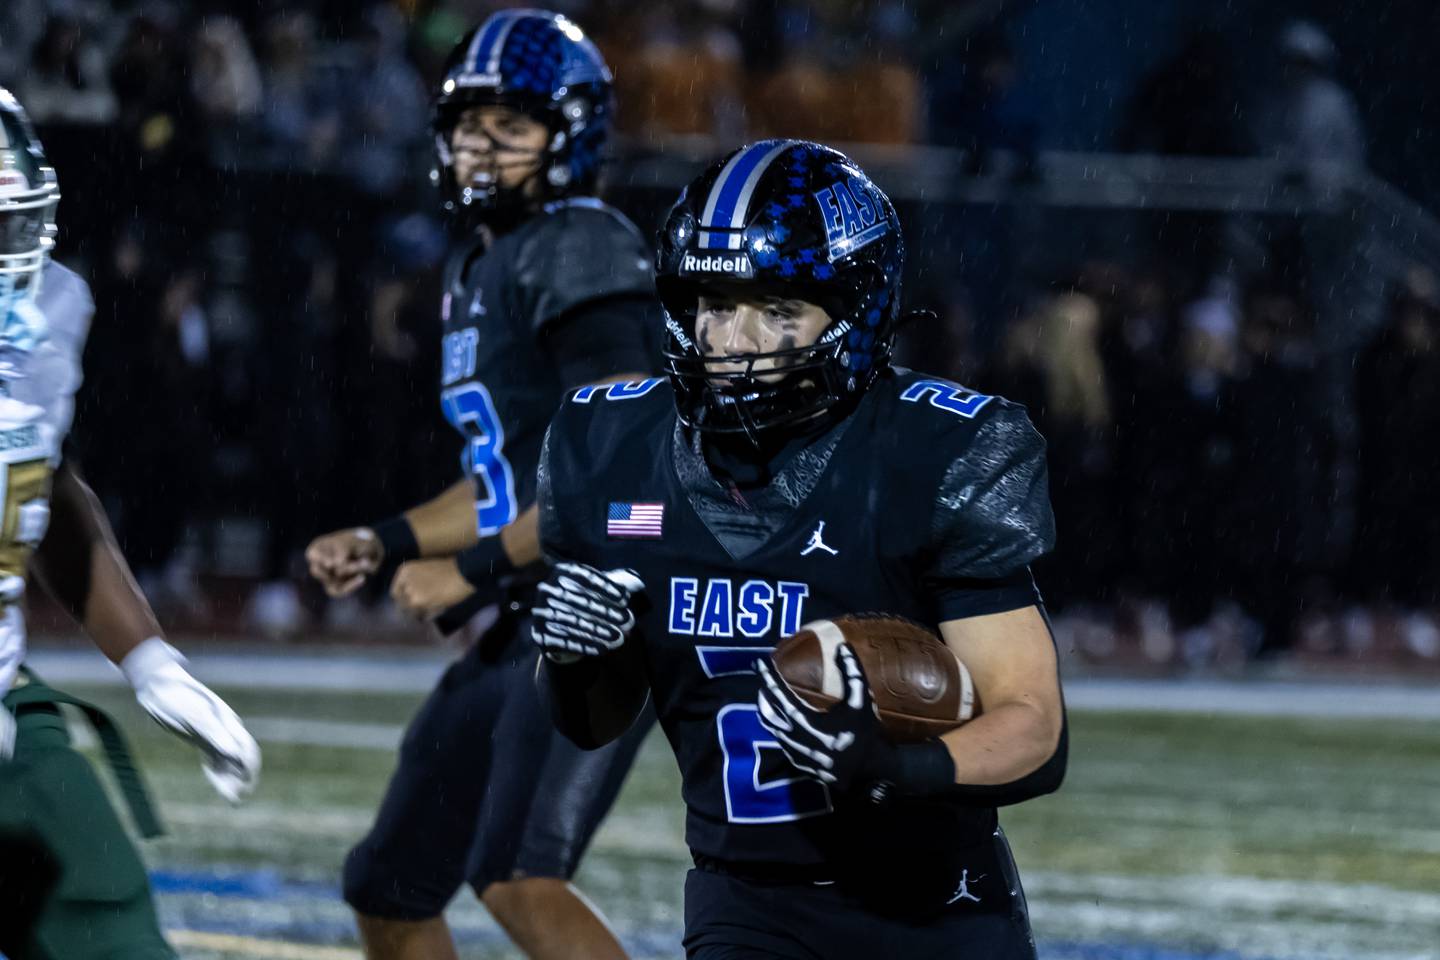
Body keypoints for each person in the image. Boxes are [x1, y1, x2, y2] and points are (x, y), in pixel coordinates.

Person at [529, 139, 1067, 958]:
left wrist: (890, 765)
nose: (733, 338)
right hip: (746, 903)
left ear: (856, 313)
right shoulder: (609, 445)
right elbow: (594, 723)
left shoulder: (937, 452)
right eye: (713, 301)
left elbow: (1033, 727)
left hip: (936, 906)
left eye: (777, 309)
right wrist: (575, 659)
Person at [304, 12, 658, 960]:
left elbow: (625, 462)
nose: (478, 146)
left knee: (518, 881)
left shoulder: (578, 242)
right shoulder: (484, 262)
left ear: (571, 134)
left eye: (510, 126)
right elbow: (508, 476)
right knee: (391, 885)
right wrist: (387, 539)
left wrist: (470, 570)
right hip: (526, 605)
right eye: (467, 123)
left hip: (598, 610)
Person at [0, 86, 261, 960]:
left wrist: (152, 663)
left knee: (116, 932)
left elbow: (40, 477)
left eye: (9, 233)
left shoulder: (50, 310)